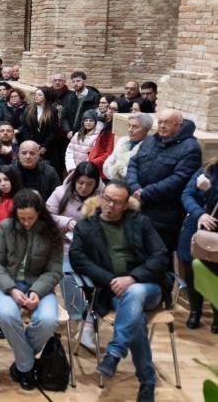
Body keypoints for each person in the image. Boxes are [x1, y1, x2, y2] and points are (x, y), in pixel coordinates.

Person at [69, 181, 169, 402]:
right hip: (112, 291)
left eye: (116, 202)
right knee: (137, 322)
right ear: (101, 197)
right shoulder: (86, 226)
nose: (109, 205)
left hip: (148, 287)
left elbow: (160, 255)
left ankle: (114, 353)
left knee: (134, 293)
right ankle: (147, 382)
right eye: (106, 198)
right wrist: (112, 279)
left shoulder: (141, 223)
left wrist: (133, 278)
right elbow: (78, 259)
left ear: (126, 205)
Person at [0, 189, 63, 390]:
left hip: (39, 284)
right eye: (22, 218)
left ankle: (22, 364)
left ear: (40, 213)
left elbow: (55, 270)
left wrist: (37, 291)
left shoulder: (51, 231)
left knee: (48, 320)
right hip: (8, 284)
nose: (26, 222)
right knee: (6, 315)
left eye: (30, 218)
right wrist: (11, 289)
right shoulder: (5, 227)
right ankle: (27, 366)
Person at [127, 109, 201, 258]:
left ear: (179, 125)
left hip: (164, 217)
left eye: (167, 122)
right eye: (160, 122)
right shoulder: (150, 140)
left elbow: (179, 179)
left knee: (156, 259)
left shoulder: (190, 147)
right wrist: (135, 188)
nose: (161, 126)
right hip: (138, 208)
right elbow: (133, 164)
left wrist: (144, 193)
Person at [46, 161, 101, 344]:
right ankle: (83, 318)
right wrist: (66, 222)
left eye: (89, 184)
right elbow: (45, 216)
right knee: (67, 276)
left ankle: (89, 318)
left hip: (88, 248)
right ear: (75, 180)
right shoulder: (60, 192)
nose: (84, 188)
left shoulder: (101, 198)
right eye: (81, 183)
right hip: (62, 245)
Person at [178, 155, 218, 332]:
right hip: (196, 227)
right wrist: (199, 213)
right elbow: (187, 194)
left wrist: (209, 190)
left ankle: (217, 316)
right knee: (191, 270)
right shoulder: (209, 168)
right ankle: (195, 311)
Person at [104, 112, 152, 182]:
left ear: (146, 129)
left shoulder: (149, 147)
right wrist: (114, 175)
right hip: (114, 183)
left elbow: (139, 173)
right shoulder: (122, 141)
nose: (130, 130)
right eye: (129, 125)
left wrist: (118, 170)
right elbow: (108, 163)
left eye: (135, 127)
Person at [64, 109, 100, 174]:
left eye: (91, 120)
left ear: (95, 122)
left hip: (86, 171)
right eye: (86, 120)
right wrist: (71, 168)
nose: (88, 122)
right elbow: (69, 151)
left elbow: (93, 156)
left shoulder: (97, 137)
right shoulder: (77, 135)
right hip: (73, 170)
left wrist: (85, 170)